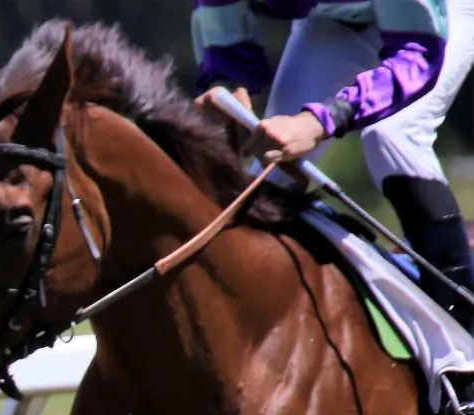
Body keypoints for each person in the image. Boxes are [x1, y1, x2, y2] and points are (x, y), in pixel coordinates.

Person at [193, 0, 474, 324]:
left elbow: (417, 55)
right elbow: (220, 18)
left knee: (391, 136)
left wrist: (319, 122)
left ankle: (461, 321)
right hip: (332, 20)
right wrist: (226, 83)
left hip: (435, 19)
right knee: (269, 177)